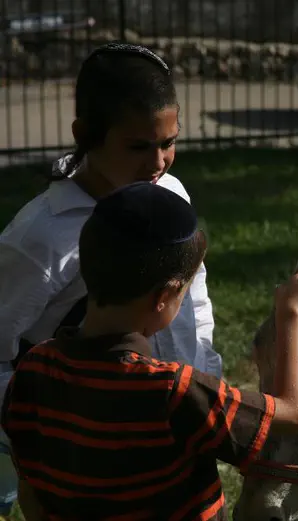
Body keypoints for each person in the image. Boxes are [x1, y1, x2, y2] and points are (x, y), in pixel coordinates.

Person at [1, 182, 298, 520]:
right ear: (164, 296)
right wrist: (292, 312)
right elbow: (293, 415)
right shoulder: (174, 393)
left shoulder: (33, 370)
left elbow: (31, 493)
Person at [0, 43, 222, 515]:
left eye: (169, 142)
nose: (158, 162)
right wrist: (44, 433)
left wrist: (203, 378)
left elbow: (194, 297)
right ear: (85, 135)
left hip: (172, 437)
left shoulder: (170, 195)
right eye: (138, 146)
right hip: (82, 458)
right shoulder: (41, 237)